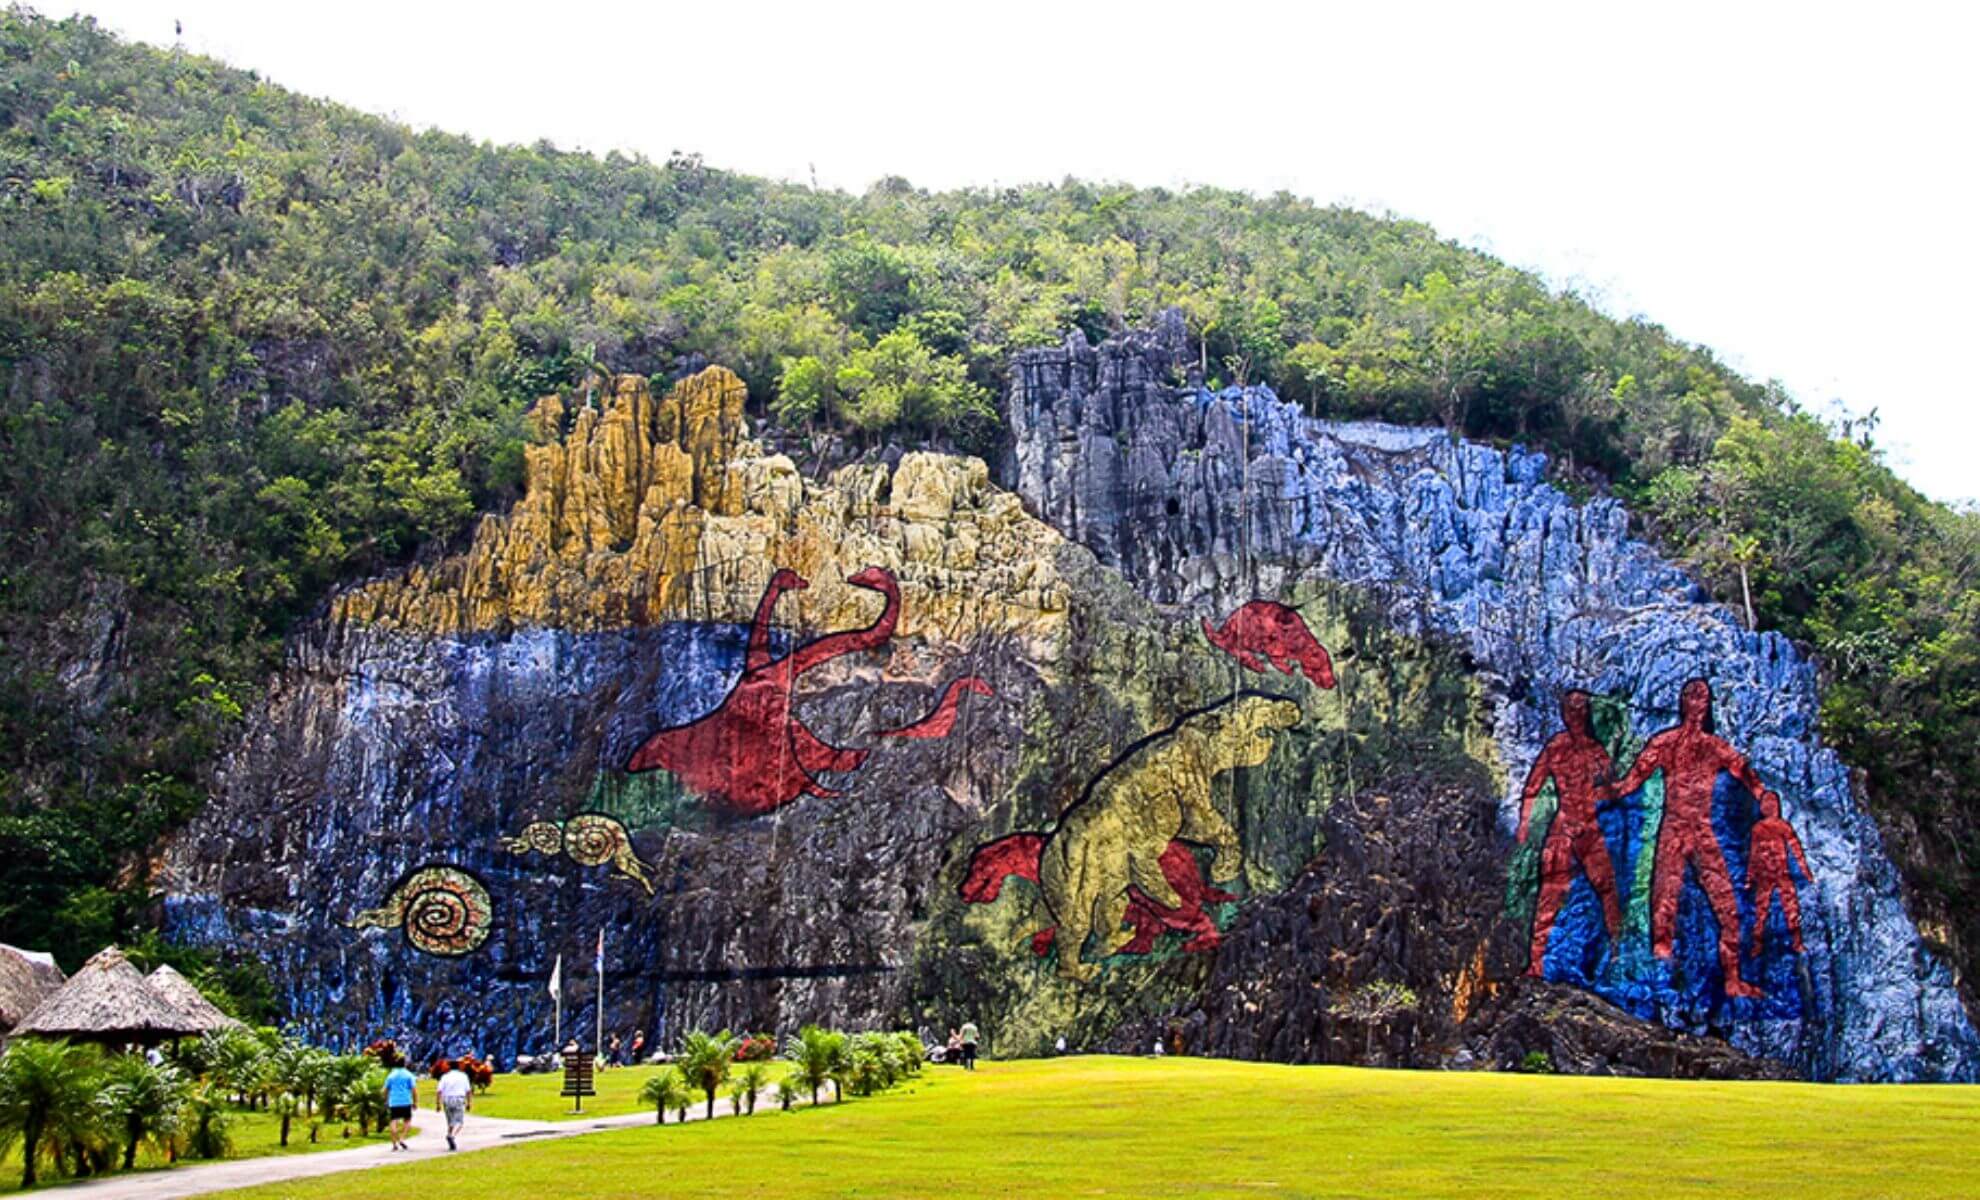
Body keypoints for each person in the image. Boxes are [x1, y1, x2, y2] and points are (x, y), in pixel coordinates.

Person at [1609, 678, 1769, 999]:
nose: (1696, 701)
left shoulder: (1715, 747)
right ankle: (1660, 967)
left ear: (1709, 704)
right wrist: (1603, 791)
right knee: (1663, 902)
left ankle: (1733, 978)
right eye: (1690, 695)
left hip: (1703, 830)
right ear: (1681, 701)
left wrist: (1763, 796)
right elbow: (1632, 781)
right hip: (1674, 828)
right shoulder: (1664, 742)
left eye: (1702, 696)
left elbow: (1747, 775)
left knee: (1727, 906)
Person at [1516, 690, 1624, 977]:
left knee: (1606, 888)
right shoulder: (1557, 747)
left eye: (1580, 709)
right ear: (1564, 713)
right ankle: (1537, 961)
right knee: (1551, 892)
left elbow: (1614, 789)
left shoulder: (1594, 750)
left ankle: (1618, 954)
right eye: (1570, 709)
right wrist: (1524, 825)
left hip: (1588, 825)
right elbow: (1532, 787)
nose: (1575, 715)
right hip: (1565, 826)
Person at [1746, 791, 1813, 956]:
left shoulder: (1783, 826)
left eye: (1772, 803)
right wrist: (1749, 877)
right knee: (1761, 912)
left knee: (1791, 909)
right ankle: (1757, 945)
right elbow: (1754, 854)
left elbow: (1796, 850)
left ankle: (1797, 942)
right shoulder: (1758, 829)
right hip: (1765, 876)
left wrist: (1805, 871)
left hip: (1782, 874)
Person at [384, 1054, 420, 1152]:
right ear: (405, 1064)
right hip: (406, 1101)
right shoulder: (409, 1075)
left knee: (393, 1121)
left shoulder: (391, 1075)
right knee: (407, 1120)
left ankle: (394, 1144)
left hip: (394, 1101)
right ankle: (402, 1138)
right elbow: (414, 1089)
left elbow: (386, 1089)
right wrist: (415, 1101)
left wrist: (386, 1100)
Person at [436, 1058, 472, 1152]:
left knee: (450, 1121)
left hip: (447, 1099)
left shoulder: (445, 1077)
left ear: (449, 1067)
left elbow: (439, 1091)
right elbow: (468, 1091)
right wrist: (469, 1103)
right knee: (459, 1122)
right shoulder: (463, 1076)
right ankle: (452, 1136)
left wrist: (438, 1104)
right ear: (459, 1066)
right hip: (459, 1099)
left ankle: (449, 1137)